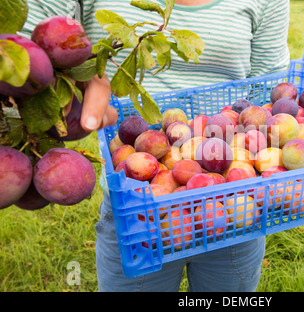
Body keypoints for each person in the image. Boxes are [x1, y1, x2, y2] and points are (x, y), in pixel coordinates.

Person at [22, 0, 290, 292]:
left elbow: (268, 88)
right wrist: (80, 76)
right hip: (136, 208)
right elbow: (23, 48)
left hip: (233, 201)